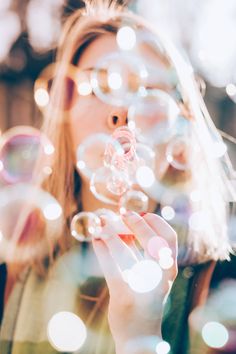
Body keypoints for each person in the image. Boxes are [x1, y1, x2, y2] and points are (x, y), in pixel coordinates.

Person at [0, 1, 235, 353]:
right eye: (100, 85)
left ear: (180, 127)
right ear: (64, 114)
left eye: (149, 92)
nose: (123, 111)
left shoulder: (224, 287)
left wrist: (141, 336)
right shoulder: (8, 276)